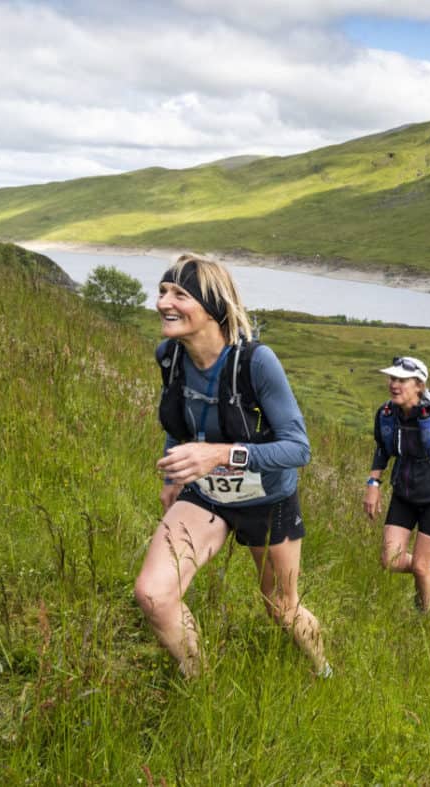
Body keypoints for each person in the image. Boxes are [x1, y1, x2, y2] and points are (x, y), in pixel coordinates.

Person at [134, 253, 328, 678]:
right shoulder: (170, 357)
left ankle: (322, 670)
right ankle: (199, 680)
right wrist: (173, 474)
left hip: (267, 497)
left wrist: (222, 454)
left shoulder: (256, 362)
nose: (164, 302)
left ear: (214, 308)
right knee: (153, 595)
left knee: (280, 605)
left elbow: (298, 449)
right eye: (163, 291)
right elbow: (178, 420)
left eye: (180, 294)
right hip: (206, 493)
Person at [362, 356, 430, 612]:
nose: (394, 384)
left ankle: (424, 616)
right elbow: (383, 448)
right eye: (392, 378)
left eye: (402, 380)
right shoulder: (387, 414)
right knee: (390, 561)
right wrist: (373, 483)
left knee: (419, 567)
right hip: (404, 493)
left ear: (419, 385)